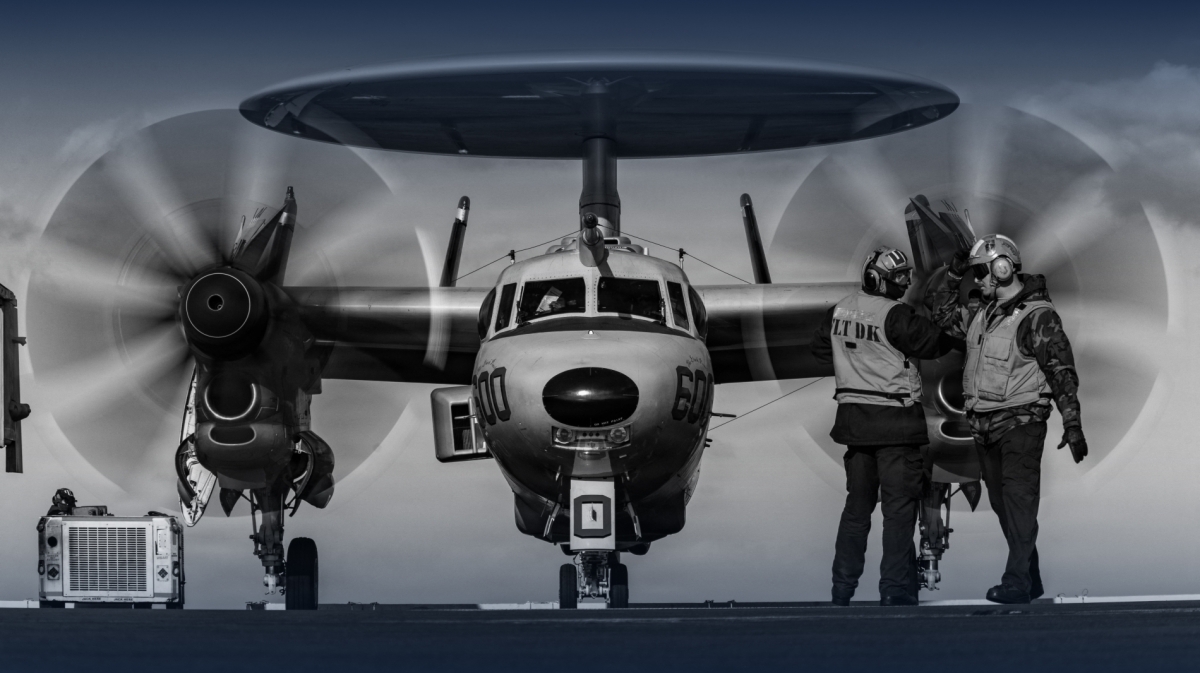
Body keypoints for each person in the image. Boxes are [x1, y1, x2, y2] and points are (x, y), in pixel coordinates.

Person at [929, 234, 1087, 605]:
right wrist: (953, 272)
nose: (977, 280)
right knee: (1002, 505)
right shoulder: (979, 314)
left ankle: (1015, 582)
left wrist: (1073, 423)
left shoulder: (1038, 316)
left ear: (1003, 268)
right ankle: (1030, 579)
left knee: (1018, 500)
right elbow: (939, 311)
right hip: (983, 428)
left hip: (1021, 422)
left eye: (981, 272)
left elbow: (1061, 370)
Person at [813, 246, 958, 606]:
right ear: (878, 279)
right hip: (896, 428)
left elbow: (819, 350)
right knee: (898, 514)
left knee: (856, 511)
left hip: (855, 428)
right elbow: (935, 343)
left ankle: (842, 589)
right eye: (900, 279)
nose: (906, 284)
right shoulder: (895, 315)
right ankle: (893, 589)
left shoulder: (838, 311)